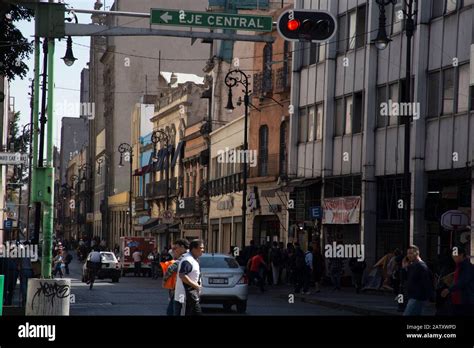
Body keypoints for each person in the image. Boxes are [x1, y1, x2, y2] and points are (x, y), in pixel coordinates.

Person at [440, 245, 474, 316]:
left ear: (461, 255)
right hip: (458, 300)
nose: (453, 257)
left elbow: (463, 281)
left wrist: (449, 289)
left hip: (465, 301)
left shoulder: (466, 266)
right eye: (452, 255)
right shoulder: (460, 265)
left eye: (455, 255)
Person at [174, 239, 205, 316]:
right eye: (201, 248)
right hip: (183, 297)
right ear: (194, 249)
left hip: (192, 296)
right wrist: (196, 286)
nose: (203, 250)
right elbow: (182, 275)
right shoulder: (188, 260)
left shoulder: (193, 259)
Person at [403, 245, 435, 316]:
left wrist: (431, 298)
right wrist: (405, 268)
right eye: (408, 253)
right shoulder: (413, 265)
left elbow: (427, 283)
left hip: (417, 298)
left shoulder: (421, 266)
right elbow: (406, 279)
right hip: (413, 297)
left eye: (411, 253)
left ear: (417, 254)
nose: (408, 255)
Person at [162, 239, 189, 316]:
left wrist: (165, 280)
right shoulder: (190, 256)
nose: (174, 250)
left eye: (176, 248)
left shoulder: (184, 257)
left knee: (174, 311)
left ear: (182, 247)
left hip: (181, 291)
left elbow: (171, 268)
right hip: (182, 290)